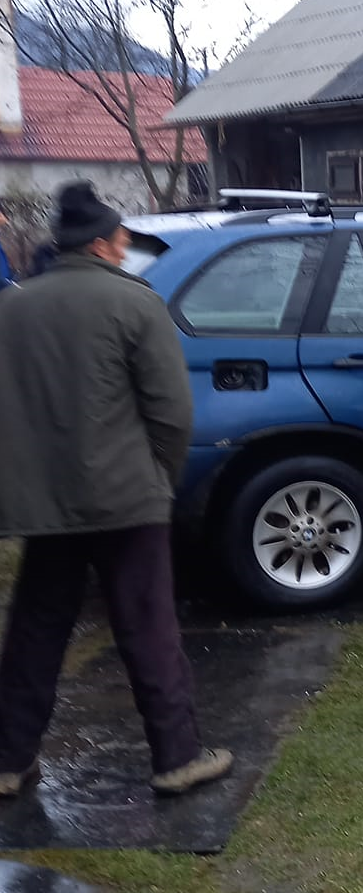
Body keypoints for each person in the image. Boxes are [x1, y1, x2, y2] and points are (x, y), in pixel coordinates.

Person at [0, 181, 232, 798]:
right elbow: (172, 412)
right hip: (126, 499)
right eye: (123, 237)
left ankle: (8, 760)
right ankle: (177, 758)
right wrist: (160, 481)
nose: (128, 245)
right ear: (102, 243)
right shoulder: (134, 304)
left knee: (36, 631)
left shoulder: (12, 307)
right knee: (147, 627)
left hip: (45, 505)